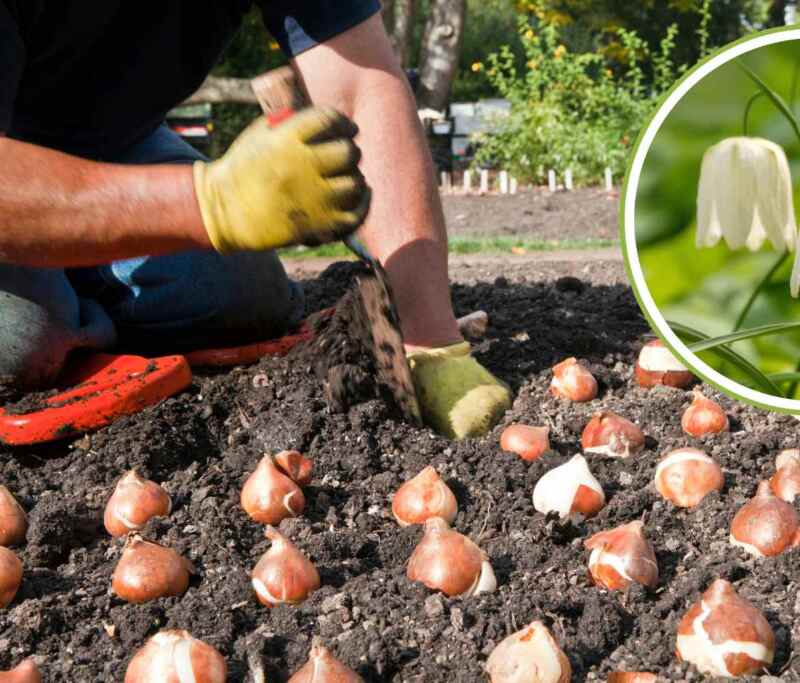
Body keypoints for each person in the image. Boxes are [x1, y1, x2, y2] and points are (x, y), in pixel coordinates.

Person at [0, 2, 510, 439]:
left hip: (112, 144)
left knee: (243, 294)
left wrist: (430, 339)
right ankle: (56, 291)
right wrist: (210, 203)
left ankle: (66, 277)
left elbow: (359, 84)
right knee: (19, 339)